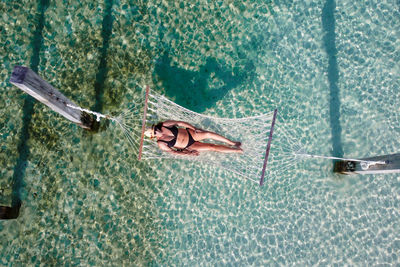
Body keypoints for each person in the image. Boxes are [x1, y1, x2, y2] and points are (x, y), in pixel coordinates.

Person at [144, 120, 243, 156]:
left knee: (208, 134)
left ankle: (232, 143)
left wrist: (194, 128)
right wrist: (189, 153)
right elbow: (173, 152)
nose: (157, 130)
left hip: (190, 133)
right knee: (211, 147)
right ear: (153, 136)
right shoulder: (161, 143)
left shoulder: (165, 125)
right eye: (154, 131)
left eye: (155, 128)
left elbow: (180, 123)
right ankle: (236, 151)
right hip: (189, 145)